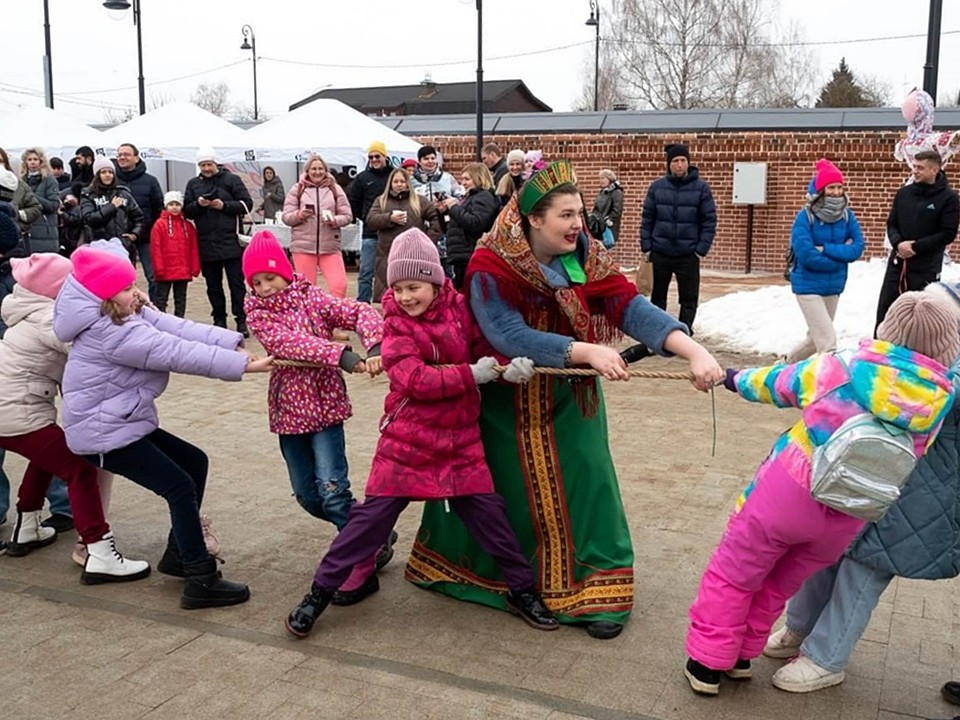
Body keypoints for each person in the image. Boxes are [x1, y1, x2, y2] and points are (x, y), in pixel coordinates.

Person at [406, 160, 724, 640]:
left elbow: (628, 305)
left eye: (579, 212)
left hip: (569, 395)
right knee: (504, 491)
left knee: (588, 481)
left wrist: (692, 350)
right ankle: (492, 580)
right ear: (535, 219)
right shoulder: (490, 263)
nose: (579, 223)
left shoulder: (585, 255)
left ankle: (596, 593)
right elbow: (505, 333)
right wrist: (588, 351)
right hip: (503, 399)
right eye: (567, 215)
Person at [284, 228, 559, 639]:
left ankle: (522, 591)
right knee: (367, 525)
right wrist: (471, 374)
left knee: (492, 519)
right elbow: (413, 379)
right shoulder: (393, 325)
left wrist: (509, 367)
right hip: (406, 442)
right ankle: (318, 594)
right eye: (397, 287)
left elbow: (486, 350)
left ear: (434, 280)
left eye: (413, 286)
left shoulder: (463, 309)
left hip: (460, 441)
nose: (405, 296)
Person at [685, 291, 959, 696]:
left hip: (790, 493)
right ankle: (743, 655)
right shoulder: (939, 399)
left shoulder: (843, 367)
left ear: (886, 328)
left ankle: (708, 662)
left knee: (735, 573)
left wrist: (731, 378)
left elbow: (776, 384)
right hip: (848, 516)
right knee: (777, 583)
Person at [764, 278, 960, 694]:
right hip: (873, 478)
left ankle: (826, 657)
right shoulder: (938, 306)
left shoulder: (945, 382)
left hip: (921, 493)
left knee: (863, 571)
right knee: (832, 552)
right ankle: (800, 627)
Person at [53, 240, 272, 608]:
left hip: (120, 421)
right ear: (105, 296)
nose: (135, 292)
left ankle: (179, 556)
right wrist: (242, 366)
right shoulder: (115, 332)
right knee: (178, 485)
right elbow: (177, 351)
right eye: (125, 288)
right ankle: (200, 579)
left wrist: (231, 343)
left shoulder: (121, 312)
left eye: (132, 282)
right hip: (102, 433)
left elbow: (175, 327)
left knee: (194, 461)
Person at [242, 230, 395, 602]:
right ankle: (369, 531)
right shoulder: (258, 313)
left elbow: (357, 309)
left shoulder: (311, 297)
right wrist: (341, 354)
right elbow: (288, 343)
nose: (264, 288)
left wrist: (374, 344)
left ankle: (361, 558)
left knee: (332, 491)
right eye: (256, 282)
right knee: (308, 496)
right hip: (289, 414)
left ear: (286, 272)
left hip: (325, 410)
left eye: (270, 278)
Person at [0, 252, 151, 581]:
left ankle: (26, 528)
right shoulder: (46, 317)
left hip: (15, 413)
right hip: (15, 412)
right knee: (80, 468)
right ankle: (99, 549)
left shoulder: (26, 309)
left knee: (47, 456)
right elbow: (88, 347)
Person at [784, 159, 865, 363]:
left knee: (814, 340)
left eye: (839, 187)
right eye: (831, 187)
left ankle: (784, 366)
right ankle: (828, 386)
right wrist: (840, 258)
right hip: (808, 286)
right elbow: (806, 255)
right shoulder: (805, 217)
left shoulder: (847, 216)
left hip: (834, 286)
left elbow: (857, 248)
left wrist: (827, 249)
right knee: (827, 343)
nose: (837, 192)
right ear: (821, 190)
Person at [874, 149, 960, 334]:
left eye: (920, 167)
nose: (915, 171)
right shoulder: (904, 193)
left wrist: (915, 247)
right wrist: (898, 244)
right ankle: (878, 351)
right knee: (886, 313)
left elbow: (947, 233)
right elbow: (892, 224)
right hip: (897, 264)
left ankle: (914, 357)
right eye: (914, 166)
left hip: (925, 268)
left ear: (935, 169)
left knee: (918, 319)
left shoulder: (948, 198)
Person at [641, 143, 717, 334]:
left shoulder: (701, 188)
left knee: (689, 298)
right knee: (658, 297)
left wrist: (700, 249)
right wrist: (647, 245)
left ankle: (685, 332)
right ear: (669, 164)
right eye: (675, 161)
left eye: (683, 160)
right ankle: (658, 333)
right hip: (661, 252)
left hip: (688, 254)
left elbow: (709, 220)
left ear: (688, 162)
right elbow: (647, 218)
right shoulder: (657, 188)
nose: (680, 165)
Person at [183, 147, 254, 338]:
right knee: (213, 285)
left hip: (231, 241)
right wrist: (198, 204)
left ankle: (241, 319)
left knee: (236, 284)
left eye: (209, 164)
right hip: (206, 242)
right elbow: (186, 212)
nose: (206, 168)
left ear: (216, 164)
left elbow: (247, 204)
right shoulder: (193, 184)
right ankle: (219, 319)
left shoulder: (232, 179)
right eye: (202, 165)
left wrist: (224, 206)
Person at [281, 154, 353, 298]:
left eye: (321, 168)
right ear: (307, 171)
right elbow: (286, 217)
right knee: (306, 291)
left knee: (339, 286)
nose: (317, 172)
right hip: (303, 247)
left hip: (330, 247)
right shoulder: (297, 189)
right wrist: (300, 215)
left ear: (326, 171)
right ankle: (309, 319)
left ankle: (335, 317)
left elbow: (347, 216)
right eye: (313, 168)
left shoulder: (335, 189)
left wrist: (334, 220)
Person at [366, 167, 440, 302]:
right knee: (388, 295)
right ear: (390, 183)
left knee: (411, 294)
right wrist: (389, 218)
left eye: (402, 181)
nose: (399, 184)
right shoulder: (381, 201)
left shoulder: (420, 201)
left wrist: (427, 242)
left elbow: (436, 219)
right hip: (387, 255)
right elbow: (370, 221)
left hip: (415, 255)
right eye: (395, 181)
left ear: (407, 183)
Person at [114, 144, 164, 304]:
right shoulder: (111, 181)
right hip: (119, 238)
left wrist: (149, 231)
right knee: (122, 278)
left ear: (136, 157)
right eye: (120, 154)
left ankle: (156, 308)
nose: (122, 157)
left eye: (126, 154)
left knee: (153, 276)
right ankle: (124, 309)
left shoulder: (150, 181)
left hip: (146, 236)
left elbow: (158, 209)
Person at [346, 141, 393, 303]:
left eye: (377, 156)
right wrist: (366, 218)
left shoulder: (394, 175)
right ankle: (363, 306)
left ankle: (390, 303)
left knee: (391, 271)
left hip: (391, 232)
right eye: (371, 157)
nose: (374, 159)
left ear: (385, 156)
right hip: (370, 233)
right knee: (366, 272)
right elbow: (354, 201)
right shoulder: (362, 178)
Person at [443, 162, 499, 290]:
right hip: (462, 255)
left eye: (467, 179)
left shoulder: (483, 197)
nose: (463, 183)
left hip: (470, 254)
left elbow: (476, 223)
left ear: (478, 179)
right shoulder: (470, 198)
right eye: (462, 179)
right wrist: (445, 212)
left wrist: (454, 207)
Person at [74, 156, 144, 258]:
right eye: (103, 172)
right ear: (97, 175)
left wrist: (134, 234)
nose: (108, 175)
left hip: (122, 248)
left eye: (110, 172)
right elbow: (89, 218)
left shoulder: (123, 194)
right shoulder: (88, 195)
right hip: (98, 248)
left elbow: (139, 218)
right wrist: (112, 207)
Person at [150, 191, 200, 318]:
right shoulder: (159, 225)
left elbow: (193, 248)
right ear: (166, 206)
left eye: (177, 204)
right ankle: (161, 321)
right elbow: (156, 248)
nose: (174, 207)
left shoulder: (188, 226)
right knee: (161, 299)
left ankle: (179, 321)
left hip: (183, 271)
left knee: (181, 299)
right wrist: (159, 268)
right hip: (165, 270)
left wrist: (194, 267)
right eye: (171, 204)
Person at [19, 148, 62, 254]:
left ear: (41, 161)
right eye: (29, 159)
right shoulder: (21, 181)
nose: (32, 162)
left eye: (35, 159)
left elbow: (53, 205)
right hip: (26, 232)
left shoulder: (49, 180)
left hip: (46, 233)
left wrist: (32, 196)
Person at [0, 148, 43, 241]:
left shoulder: (20, 185)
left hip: (14, 242)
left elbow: (36, 208)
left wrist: (17, 217)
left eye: (1, 161)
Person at [589, 169, 624, 247]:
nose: (601, 181)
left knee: (606, 248)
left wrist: (608, 220)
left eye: (603, 178)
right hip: (598, 226)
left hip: (607, 227)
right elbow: (597, 208)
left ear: (610, 179)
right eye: (600, 178)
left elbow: (617, 210)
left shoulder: (616, 192)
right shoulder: (602, 192)